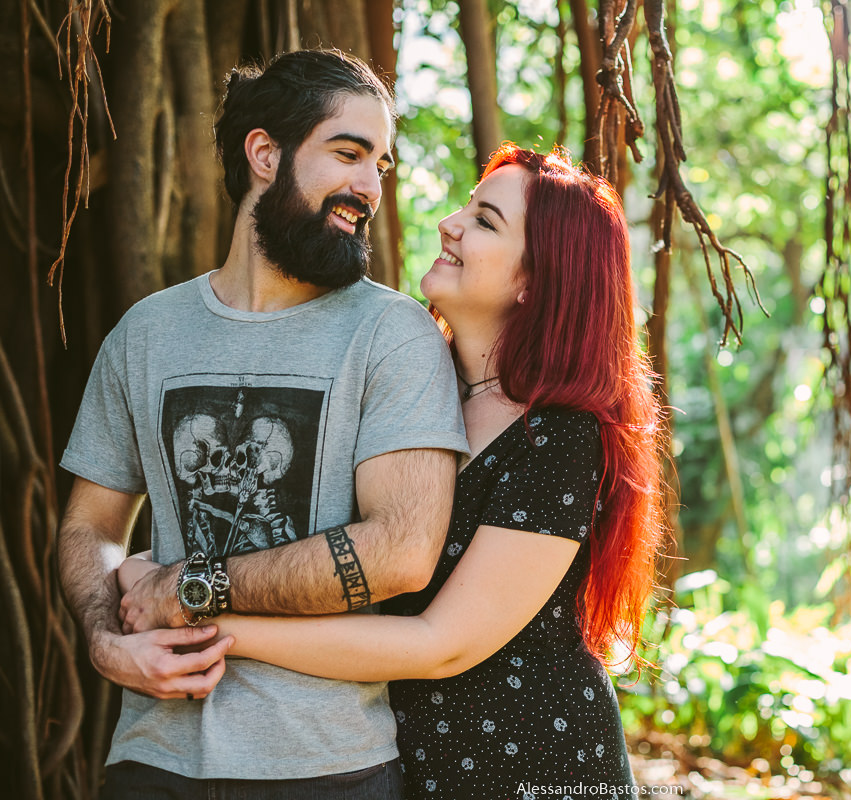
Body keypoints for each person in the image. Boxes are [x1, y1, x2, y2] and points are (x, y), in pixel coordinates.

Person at [121, 142, 669, 798]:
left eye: (485, 220)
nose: (450, 222)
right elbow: (311, 547)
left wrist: (205, 615)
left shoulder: (558, 435)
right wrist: (156, 568)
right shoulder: (409, 389)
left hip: (537, 766)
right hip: (408, 765)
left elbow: (443, 643)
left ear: (537, 280)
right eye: (466, 205)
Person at [57, 48, 467, 798]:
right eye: (349, 154)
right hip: (151, 758)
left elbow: (402, 550)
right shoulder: (145, 333)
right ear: (265, 154)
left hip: (330, 766)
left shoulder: (392, 333)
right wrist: (104, 639)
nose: (370, 187)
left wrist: (195, 586)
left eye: (382, 164)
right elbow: (91, 524)